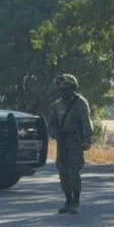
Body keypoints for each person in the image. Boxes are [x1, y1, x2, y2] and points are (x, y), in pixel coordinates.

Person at [47, 73, 94, 214]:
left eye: (65, 88)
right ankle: (68, 199)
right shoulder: (56, 106)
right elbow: (52, 123)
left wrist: (86, 140)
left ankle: (75, 200)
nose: (63, 92)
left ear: (72, 88)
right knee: (63, 171)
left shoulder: (80, 103)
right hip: (62, 141)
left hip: (75, 141)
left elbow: (86, 123)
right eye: (61, 89)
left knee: (74, 171)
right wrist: (55, 134)